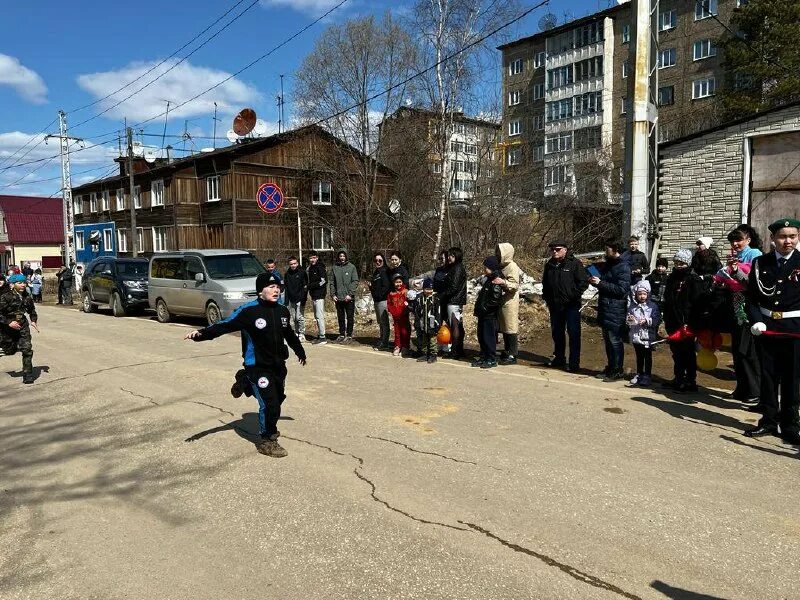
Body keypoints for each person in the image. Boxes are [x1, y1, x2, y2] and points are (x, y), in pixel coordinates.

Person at [184, 271, 306, 458]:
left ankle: (245, 381)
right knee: (270, 403)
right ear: (260, 291)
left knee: (278, 399)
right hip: (257, 366)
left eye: (278, 287)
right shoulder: (249, 311)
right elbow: (225, 325)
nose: (276, 290)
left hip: (278, 365)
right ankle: (267, 440)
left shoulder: (282, 311)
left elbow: (288, 333)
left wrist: (299, 350)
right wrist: (201, 334)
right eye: (271, 287)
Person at [744, 218, 800, 444]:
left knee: (791, 378)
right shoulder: (761, 263)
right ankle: (768, 421)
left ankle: (790, 425)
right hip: (767, 329)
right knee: (768, 377)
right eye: (783, 236)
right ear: (773, 238)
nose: (788, 241)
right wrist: (756, 320)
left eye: (792, 236)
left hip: (794, 330)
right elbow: (751, 299)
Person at [722, 228, 763, 403]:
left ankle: (755, 391)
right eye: (732, 241)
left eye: (738, 240)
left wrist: (734, 272)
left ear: (748, 239)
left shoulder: (755, 254)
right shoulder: (735, 256)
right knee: (738, 350)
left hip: (749, 308)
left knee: (748, 350)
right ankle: (741, 388)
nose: (735, 244)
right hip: (735, 306)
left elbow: (751, 282)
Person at [541, 239, 589, 372]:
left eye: (557, 249)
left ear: (565, 250)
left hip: (571, 306)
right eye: (552, 250)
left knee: (573, 334)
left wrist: (572, 296)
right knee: (557, 333)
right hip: (555, 305)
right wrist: (546, 296)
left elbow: (583, 283)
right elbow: (545, 282)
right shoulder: (549, 264)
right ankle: (559, 358)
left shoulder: (574, 264)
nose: (554, 252)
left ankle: (574, 363)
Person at [589, 240, 632, 381]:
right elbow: (604, 281)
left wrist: (600, 283)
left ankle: (617, 370)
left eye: (606, 249)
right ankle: (611, 367)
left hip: (616, 309)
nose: (604, 252)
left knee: (615, 341)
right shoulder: (609, 264)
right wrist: (595, 278)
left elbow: (621, 290)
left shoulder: (623, 266)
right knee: (608, 341)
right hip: (605, 307)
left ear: (614, 249)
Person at [662, 249, 703, 393]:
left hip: (686, 323)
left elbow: (698, 303)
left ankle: (690, 380)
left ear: (687, 263)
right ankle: (678, 377)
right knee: (676, 352)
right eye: (676, 262)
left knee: (687, 352)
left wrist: (691, 322)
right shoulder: (672, 277)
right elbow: (668, 298)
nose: (678, 265)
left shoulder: (693, 279)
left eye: (682, 263)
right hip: (672, 320)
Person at [0, 274, 38, 384]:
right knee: (9, 350)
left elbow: (32, 311)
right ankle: (6, 345)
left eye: (24, 282)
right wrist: (9, 322)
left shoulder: (27, 297)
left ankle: (28, 375)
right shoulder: (5, 297)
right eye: (19, 283)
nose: (22, 285)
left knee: (27, 349)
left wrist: (33, 320)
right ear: (12, 284)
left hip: (22, 325)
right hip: (7, 327)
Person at [626, 280, 661, 387]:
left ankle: (647, 375)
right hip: (636, 336)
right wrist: (630, 319)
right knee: (639, 356)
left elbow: (657, 319)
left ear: (648, 294)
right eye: (639, 294)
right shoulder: (632, 307)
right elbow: (628, 321)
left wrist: (647, 321)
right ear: (635, 294)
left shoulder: (653, 307)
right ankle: (639, 373)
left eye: (644, 294)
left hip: (647, 337)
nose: (642, 296)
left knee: (647, 356)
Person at [473, 256, 504, 369]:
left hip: (489, 315)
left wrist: (484, 309)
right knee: (481, 336)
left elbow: (494, 300)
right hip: (483, 314)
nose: (484, 269)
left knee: (488, 337)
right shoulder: (488, 280)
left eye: (486, 267)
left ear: (492, 268)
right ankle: (484, 356)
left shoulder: (496, 281)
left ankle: (491, 358)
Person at [494, 243, 520, 366]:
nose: (498, 254)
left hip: (510, 302)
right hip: (501, 301)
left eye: (500, 252)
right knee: (504, 327)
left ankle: (512, 354)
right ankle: (507, 350)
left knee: (510, 328)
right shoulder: (501, 266)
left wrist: (503, 282)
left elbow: (514, 285)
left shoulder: (512, 267)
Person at [442, 247, 467, 359]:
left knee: (455, 325)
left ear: (457, 256)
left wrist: (442, 295)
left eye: (451, 255)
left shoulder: (457, 268)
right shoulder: (455, 267)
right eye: (448, 255)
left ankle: (455, 351)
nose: (449, 257)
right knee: (457, 325)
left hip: (454, 301)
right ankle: (458, 349)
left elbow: (454, 287)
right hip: (455, 300)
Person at [330, 249, 359, 343]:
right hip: (338, 298)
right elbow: (332, 282)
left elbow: (355, 281)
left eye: (343, 256)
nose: (342, 258)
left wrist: (350, 294)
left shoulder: (352, 267)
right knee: (340, 317)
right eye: (340, 256)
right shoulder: (335, 268)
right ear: (338, 257)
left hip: (348, 298)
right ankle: (342, 334)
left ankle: (349, 335)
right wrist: (333, 294)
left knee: (350, 317)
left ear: (346, 257)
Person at [413, 277, 441, 364]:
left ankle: (433, 355)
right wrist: (417, 322)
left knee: (432, 339)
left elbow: (438, 313)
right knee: (424, 338)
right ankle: (424, 353)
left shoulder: (435, 299)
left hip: (432, 321)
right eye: (427, 289)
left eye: (430, 289)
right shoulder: (420, 299)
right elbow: (417, 311)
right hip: (423, 322)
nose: (429, 291)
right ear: (423, 289)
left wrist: (437, 323)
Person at [369, 253, 391, 351]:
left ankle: (385, 342)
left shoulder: (385, 271)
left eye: (380, 260)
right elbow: (375, 286)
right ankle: (382, 339)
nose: (378, 262)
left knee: (384, 322)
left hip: (383, 300)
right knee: (380, 322)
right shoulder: (376, 272)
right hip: (376, 300)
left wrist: (379, 295)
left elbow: (386, 286)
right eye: (376, 261)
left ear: (383, 261)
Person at [284, 256, 308, 343]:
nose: (293, 265)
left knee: (299, 317)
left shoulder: (302, 273)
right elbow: (286, 288)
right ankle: (296, 332)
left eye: (294, 263)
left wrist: (303, 299)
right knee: (293, 318)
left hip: (300, 298)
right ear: (289, 265)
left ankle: (302, 333)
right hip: (291, 299)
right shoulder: (287, 274)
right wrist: (286, 301)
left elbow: (305, 287)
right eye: (291, 264)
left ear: (297, 263)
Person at [306, 251, 328, 344]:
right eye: (311, 258)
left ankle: (323, 337)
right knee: (316, 316)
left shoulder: (320, 267)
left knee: (319, 316)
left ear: (317, 258)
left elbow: (323, 281)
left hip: (320, 294)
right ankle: (319, 335)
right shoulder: (310, 268)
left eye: (314, 257)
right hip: (314, 295)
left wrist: (311, 286)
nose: (312, 260)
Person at [387, 274, 411, 357]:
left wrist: (407, 310)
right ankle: (397, 346)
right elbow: (389, 304)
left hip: (404, 316)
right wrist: (392, 312)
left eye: (400, 282)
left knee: (405, 332)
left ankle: (405, 347)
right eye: (396, 282)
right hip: (396, 317)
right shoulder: (391, 293)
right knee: (397, 332)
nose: (398, 284)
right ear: (393, 283)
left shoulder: (405, 291)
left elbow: (409, 303)